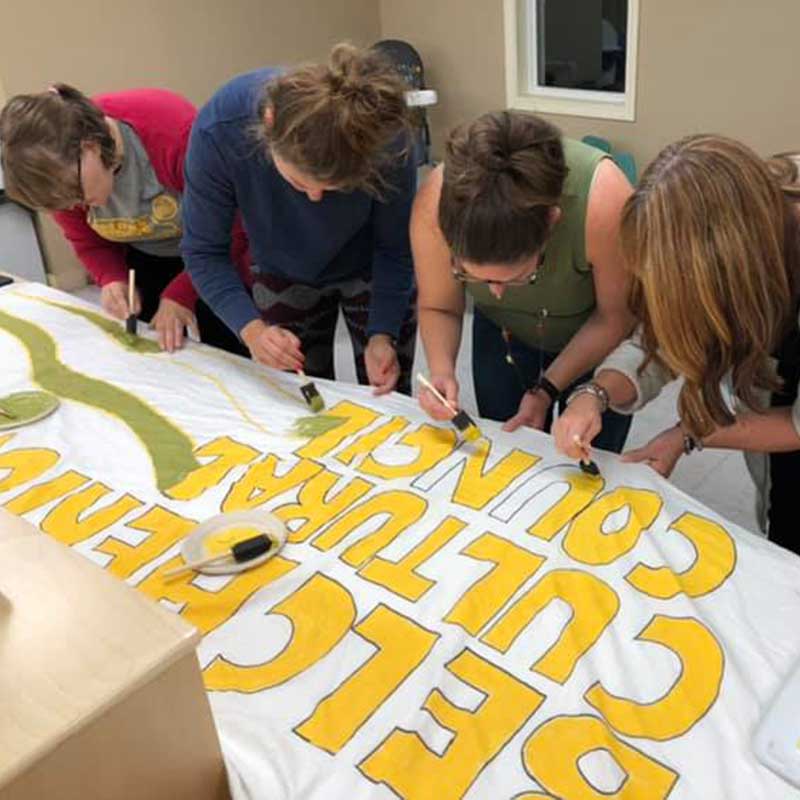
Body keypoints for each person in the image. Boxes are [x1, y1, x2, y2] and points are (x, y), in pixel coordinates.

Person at [553, 136, 800, 553]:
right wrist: (594, 394)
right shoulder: (741, 206)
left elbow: (796, 425)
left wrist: (688, 434)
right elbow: (663, 335)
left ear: (734, 270)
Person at [182, 43, 417, 395]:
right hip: (282, 266)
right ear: (269, 121)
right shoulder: (219, 130)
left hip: (372, 264)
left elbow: (396, 249)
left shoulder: (386, 136)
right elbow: (203, 252)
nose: (314, 199)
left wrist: (382, 334)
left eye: (336, 188)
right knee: (300, 394)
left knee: (390, 390)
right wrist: (253, 331)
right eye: (298, 183)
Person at [412, 110, 634, 448]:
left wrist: (547, 389)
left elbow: (616, 317)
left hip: (597, 339)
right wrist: (441, 370)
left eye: (517, 278)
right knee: (507, 448)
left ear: (551, 222)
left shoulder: (606, 202)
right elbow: (439, 305)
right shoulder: (433, 204)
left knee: (591, 453)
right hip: (502, 338)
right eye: (471, 276)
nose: (496, 294)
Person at [0, 84, 249, 353]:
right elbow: (87, 242)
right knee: (157, 345)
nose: (76, 207)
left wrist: (181, 294)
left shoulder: (174, 134)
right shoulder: (60, 173)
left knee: (228, 348)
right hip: (147, 255)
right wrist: (111, 278)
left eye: (78, 195)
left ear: (91, 148)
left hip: (218, 255)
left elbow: (233, 230)